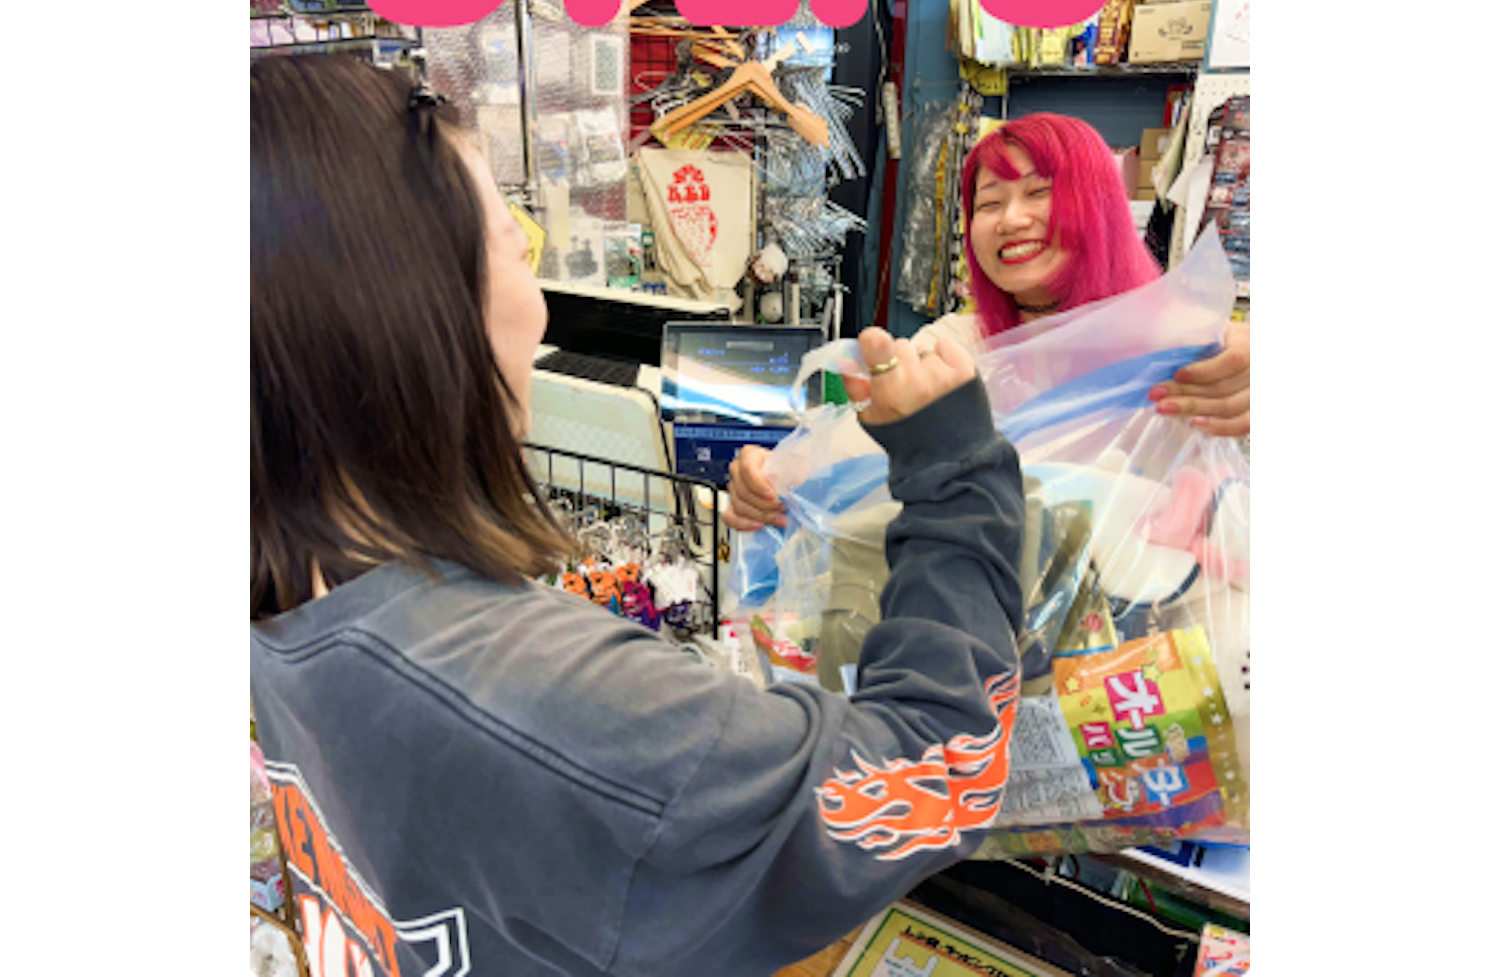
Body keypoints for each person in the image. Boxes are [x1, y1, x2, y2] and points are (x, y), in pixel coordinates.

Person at [250, 54, 1035, 977]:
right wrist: (956, 470)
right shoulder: (548, 698)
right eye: (516, 247)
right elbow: (938, 773)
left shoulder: (289, 596)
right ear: (413, 308)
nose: (540, 308)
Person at [726, 112, 1250, 533]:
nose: (1011, 219)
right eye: (990, 202)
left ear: (1099, 205)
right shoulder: (959, 347)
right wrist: (774, 477)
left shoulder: (1179, 344)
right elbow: (854, 447)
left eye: (1038, 193)